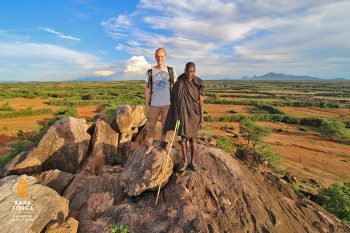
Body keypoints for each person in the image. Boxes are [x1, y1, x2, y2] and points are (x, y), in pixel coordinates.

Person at [163, 62, 204, 171]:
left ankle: (193, 162)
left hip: (195, 115)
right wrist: (176, 113)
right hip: (183, 114)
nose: (189, 73)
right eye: (187, 71)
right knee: (184, 139)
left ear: (195, 71)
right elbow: (174, 100)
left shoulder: (198, 83)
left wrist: (202, 119)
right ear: (185, 70)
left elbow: (201, 103)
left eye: (192, 71)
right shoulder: (179, 82)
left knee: (193, 140)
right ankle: (185, 162)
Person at [144, 48, 177, 154]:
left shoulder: (171, 70)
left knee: (165, 126)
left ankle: (164, 144)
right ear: (155, 57)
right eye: (158, 56)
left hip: (167, 104)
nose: (160, 58)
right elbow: (147, 89)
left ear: (165, 57)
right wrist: (147, 104)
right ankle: (149, 145)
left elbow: (176, 88)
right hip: (154, 104)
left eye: (162, 56)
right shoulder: (150, 72)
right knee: (151, 126)